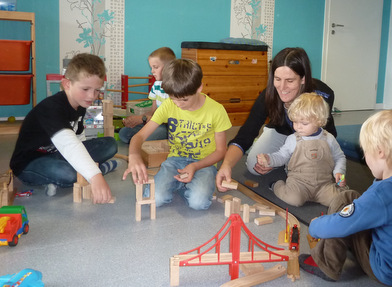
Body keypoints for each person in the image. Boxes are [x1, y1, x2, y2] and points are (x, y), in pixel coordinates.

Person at [299, 109, 392, 285]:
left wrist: (315, 226)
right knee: (354, 200)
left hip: (385, 270)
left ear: (380, 152)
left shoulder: (382, 194)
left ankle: (327, 264)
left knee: (344, 201)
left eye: (366, 152)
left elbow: (340, 224)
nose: (365, 157)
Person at [216, 47, 336, 191]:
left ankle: (286, 161)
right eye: (278, 79)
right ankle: (282, 159)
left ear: (303, 79)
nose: (282, 87)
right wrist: (226, 165)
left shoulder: (322, 96)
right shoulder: (269, 95)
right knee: (254, 165)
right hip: (280, 131)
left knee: (311, 168)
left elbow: (328, 136)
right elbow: (245, 135)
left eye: (290, 80)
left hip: (311, 139)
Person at [123, 59, 232, 210]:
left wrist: (196, 166)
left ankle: (186, 183)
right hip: (175, 160)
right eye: (174, 99)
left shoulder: (216, 110)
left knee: (198, 203)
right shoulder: (168, 105)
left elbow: (221, 151)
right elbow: (139, 136)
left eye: (184, 99)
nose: (179, 104)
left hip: (204, 163)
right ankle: (183, 183)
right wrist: (134, 156)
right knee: (155, 199)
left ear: (199, 88)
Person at [10, 53, 117, 204]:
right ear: (67, 84)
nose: (92, 96)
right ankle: (92, 170)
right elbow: (69, 144)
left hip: (58, 153)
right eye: (85, 89)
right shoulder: (51, 108)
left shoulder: (80, 103)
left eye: (97, 90)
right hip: (29, 163)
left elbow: (78, 137)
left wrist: (85, 160)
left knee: (110, 144)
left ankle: (82, 169)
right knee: (67, 174)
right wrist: (95, 175)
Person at [257, 93, 347, 207]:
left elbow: (340, 157)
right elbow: (282, 156)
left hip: (324, 184)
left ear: (319, 121)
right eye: (295, 122)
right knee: (294, 199)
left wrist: (339, 173)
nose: (298, 127)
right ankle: (277, 185)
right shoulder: (293, 139)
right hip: (299, 184)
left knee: (340, 200)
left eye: (304, 123)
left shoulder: (328, 138)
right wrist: (269, 159)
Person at [119, 47, 176, 143]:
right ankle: (138, 140)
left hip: (167, 126)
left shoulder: (174, 87)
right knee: (124, 133)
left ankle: (140, 141)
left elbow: (167, 118)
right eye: (151, 67)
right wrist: (136, 120)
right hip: (154, 122)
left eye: (155, 67)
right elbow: (152, 112)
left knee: (146, 138)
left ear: (169, 67)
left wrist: (142, 119)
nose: (152, 71)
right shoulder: (157, 85)